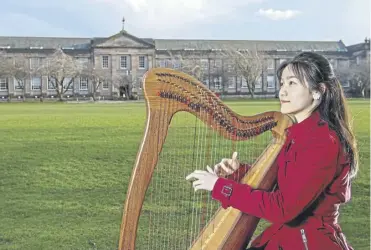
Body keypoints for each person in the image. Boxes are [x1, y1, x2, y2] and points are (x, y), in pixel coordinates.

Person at [186, 52, 358, 250]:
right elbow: (293, 185)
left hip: (309, 243)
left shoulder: (322, 142)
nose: (282, 92)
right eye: (282, 83)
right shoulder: (301, 134)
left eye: (292, 83)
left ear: (318, 91)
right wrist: (238, 173)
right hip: (288, 238)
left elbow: (283, 208)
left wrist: (220, 186)